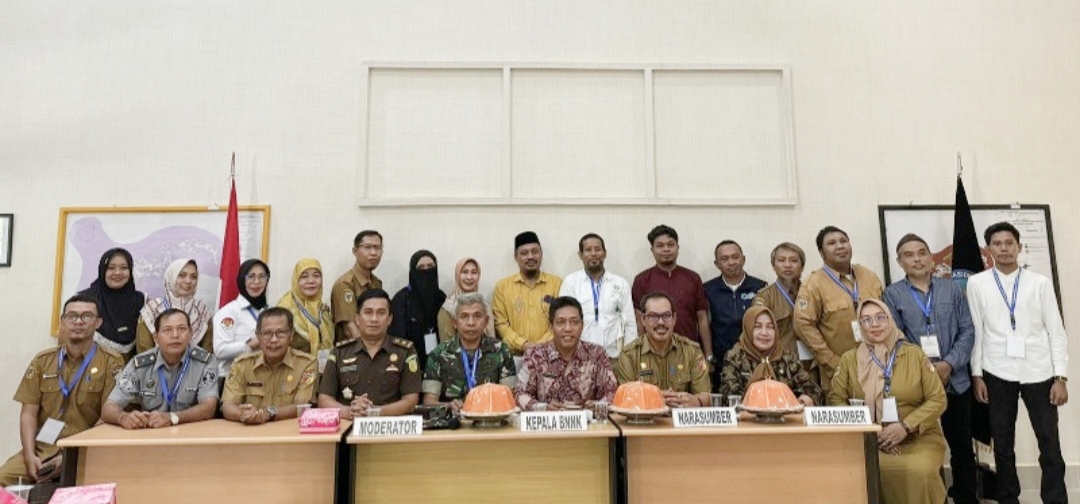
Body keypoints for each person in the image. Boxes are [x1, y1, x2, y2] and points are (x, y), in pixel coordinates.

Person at [967, 222, 1068, 504]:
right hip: (997, 371)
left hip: (1039, 371)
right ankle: (1008, 498)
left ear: (1019, 247)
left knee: (1049, 442)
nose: (1004, 248)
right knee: (1003, 444)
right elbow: (977, 331)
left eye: (1009, 243)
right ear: (988, 249)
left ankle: (1056, 499)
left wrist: (1061, 377)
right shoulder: (977, 284)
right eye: (997, 243)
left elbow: (1056, 332)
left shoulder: (1039, 283)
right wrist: (977, 374)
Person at [882, 233, 977, 504]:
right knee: (924, 442)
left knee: (961, 445)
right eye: (909, 255)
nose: (917, 259)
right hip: (918, 387)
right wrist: (926, 369)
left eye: (922, 252)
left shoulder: (952, 289)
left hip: (955, 379)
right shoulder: (892, 294)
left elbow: (968, 330)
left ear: (931, 257)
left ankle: (966, 497)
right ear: (900, 262)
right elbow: (895, 337)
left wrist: (948, 363)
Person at [829, 299, 947, 504]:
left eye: (880, 318)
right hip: (868, 441)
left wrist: (905, 426)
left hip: (917, 438)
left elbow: (938, 399)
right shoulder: (849, 360)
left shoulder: (914, 355)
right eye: (866, 320)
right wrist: (869, 432)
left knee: (917, 471)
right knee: (860, 471)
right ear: (860, 326)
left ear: (891, 320)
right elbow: (836, 399)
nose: (874, 324)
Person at [0, 295, 125, 487]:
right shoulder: (43, 361)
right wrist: (29, 455)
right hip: (43, 449)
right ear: (62, 322)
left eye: (86, 316)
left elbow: (107, 418)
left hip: (86, 452)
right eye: (71, 316)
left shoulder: (111, 362)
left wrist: (69, 457)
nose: (78, 322)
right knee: (3, 479)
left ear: (98, 323)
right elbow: (28, 413)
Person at [794, 226, 884, 390]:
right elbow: (803, 325)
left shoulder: (869, 276)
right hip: (839, 375)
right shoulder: (813, 284)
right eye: (832, 243)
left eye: (844, 241)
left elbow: (886, 317)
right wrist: (832, 362)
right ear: (821, 252)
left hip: (877, 368)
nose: (840, 246)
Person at [103, 309, 220, 428]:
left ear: (190, 334)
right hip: (152, 432)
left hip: (191, 430)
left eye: (181, 329)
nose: (175, 335)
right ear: (156, 337)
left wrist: (173, 417)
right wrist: (123, 418)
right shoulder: (139, 365)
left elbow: (209, 408)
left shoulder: (205, 362)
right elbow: (109, 407)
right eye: (167, 330)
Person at [317, 289, 421, 418]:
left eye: (381, 313)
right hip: (349, 425)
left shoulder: (405, 352)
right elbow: (324, 399)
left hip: (389, 426)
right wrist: (349, 411)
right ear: (357, 319)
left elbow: (411, 401)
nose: (374, 319)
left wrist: (375, 412)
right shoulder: (340, 352)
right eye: (368, 312)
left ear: (389, 319)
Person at [514, 297, 618, 410]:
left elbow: (612, 393)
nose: (568, 328)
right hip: (547, 420)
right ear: (551, 327)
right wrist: (543, 408)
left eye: (574, 322)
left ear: (582, 326)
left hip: (588, 420)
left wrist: (598, 406)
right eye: (561, 322)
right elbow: (519, 393)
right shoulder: (535, 355)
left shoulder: (597, 354)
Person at [631, 225, 713, 366]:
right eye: (660, 246)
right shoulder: (642, 280)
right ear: (652, 250)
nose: (666, 249)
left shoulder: (692, 278)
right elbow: (639, 322)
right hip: (653, 354)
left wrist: (708, 355)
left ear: (677, 248)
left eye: (670, 245)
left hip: (689, 353)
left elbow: (702, 318)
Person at [221, 308, 317, 424]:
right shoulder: (242, 365)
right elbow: (228, 406)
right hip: (251, 431)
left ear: (291, 335)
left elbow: (302, 406)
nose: (274, 340)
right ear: (258, 336)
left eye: (281, 333)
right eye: (267, 334)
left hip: (288, 431)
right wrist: (244, 414)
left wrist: (268, 413)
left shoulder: (306, 364)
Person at [615, 292, 711, 409]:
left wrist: (697, 401)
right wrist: (656, 398)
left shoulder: (692, 351)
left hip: (681, 418)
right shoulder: (629, 355)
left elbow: (706, 396)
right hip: (645, 419)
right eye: (653, 316)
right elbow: (625, 398)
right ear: (643, 320)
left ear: (674, 319)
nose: (660, 322)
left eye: (666, 316)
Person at [422, 293, 516, 412]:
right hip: (453, 419)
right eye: (464, 316)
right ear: (455, 323)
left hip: (490, 418)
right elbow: (429, 401)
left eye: (477, 316)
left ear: (486, 321)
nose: (471, 322)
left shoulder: (501, 351)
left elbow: (509, 397)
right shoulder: (438, 354)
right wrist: (447, 406)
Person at [718, 306, 820, 405]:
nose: (764, 333)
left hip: (784, 414)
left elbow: (812, 390)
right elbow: (730, 395)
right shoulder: (735, 358)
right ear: (748, 329)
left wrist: (802, 401)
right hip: (747, 415)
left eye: (770, 327)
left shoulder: (787, 358)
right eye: (758, 327)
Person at [558, 233, 637, 361]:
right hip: (579, 359)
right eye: (588, 250)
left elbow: (630, 324)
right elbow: (563, 322)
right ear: (580, 255)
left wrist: (629, 357)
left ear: (605, 253)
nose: (593, 253)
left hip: (613, 358)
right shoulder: (571, 283)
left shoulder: (620, 283)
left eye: (597, 249)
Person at [704, 240, 767, 382]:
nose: (731, 262)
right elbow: (705, 324)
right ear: (717, 264)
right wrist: (709, 357)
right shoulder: (708, 289)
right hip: (720, 360)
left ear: (743, 259)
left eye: (735, 257)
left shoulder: (760, 287)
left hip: (753, 358)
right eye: (724, 259)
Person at [491, 231, 563, 356]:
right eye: (524, 253)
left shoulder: (557, 284)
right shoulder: (502, 287)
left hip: (550, 355)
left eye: (535, 251)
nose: (530, 256)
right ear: (515, 257)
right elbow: (500, 323)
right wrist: (523, 345)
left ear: (541, 254)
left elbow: (561, 319)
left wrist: (540, 346)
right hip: (514, 356)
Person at [78, 247, 146, 360]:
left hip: (131, 368)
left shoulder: (141, 301)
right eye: (111, 268)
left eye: (124, 268)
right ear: (103, 270)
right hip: (90, 366)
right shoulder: (84, 301)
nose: (118, 273)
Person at [135, 258, 213, 355]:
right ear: (171, 277)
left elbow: (206, 354)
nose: (188, 281)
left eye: (193, 277)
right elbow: (144, 353)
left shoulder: (203, 313)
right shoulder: (151, 310)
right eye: (182, 275)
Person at [390, 250, 447, 371]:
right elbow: (396, 339)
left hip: (439, 367)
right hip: (408, 366)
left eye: (430, 266)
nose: (426, 270)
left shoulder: (441, 298)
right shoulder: (401, 299)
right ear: (412, 271)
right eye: (421, 267)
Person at [754, 242, 812, 359]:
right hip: (780, 361)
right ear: (773, 266)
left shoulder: (812, 293)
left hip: (811, 361)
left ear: (802, 266)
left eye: (793, 261)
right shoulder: (765, 296)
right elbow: (758, 334)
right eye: (781, 260)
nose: (787, 265)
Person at [214, 259, 270, 378]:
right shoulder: (229, 312)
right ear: (242, 279)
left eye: (262, 277)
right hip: (234, 379)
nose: (257, 282)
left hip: (266, 377)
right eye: (251, 277)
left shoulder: (269, 311)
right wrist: (251, 344)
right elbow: (220, 350)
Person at [276, 258, 334, 367]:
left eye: (316, 275)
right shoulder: (284, 310)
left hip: (322, 371)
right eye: (304, 276)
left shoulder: (323, 310)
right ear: (296, 280)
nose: (311, 281)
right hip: (291, 371)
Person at [331, 230, 384, 343]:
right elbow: (349, 329)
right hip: (352, 350)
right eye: (368, 247)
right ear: (355, 251)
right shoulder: (345, 284)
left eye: (378, 248)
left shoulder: (376, 283)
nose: (373, 253)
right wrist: (370, 350)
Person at [436, 257, 495, 341]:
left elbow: (492, 340)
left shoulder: (485, 305)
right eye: (465, 272)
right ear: (457, 275)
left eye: (474, 272)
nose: (469, 277)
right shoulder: (448, 308)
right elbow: (447, 345)